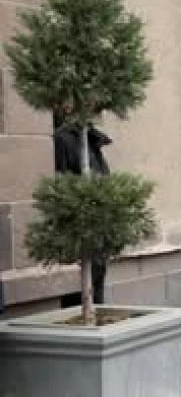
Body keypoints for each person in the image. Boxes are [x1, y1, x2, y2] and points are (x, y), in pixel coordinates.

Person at [53, 116, 113, 305]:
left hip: (97, 239)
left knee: (95, 302)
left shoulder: (89, 138)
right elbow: (59, 192)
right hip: (78, 241)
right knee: (80, 304)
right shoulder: (63, 139)